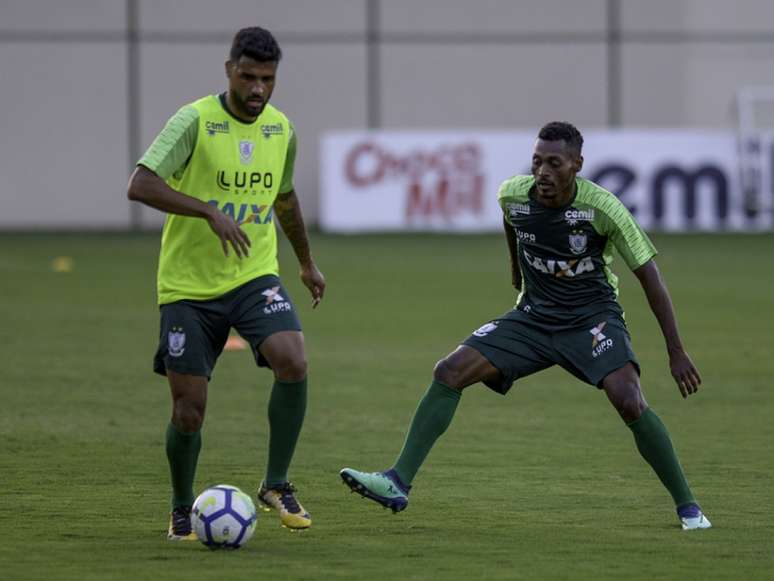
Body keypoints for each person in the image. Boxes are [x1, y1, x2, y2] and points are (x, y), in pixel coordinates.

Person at [341, 121, 711, 531]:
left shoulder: (601, 209)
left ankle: (688, 506)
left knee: (627, 398)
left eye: (555, 163)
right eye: (537, 162)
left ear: (577, 165)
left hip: (592, 321)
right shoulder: (513, 195)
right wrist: (515, 268)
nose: (543, 173)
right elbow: (511, 223)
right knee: (449, 371)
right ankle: (397, 481)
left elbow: (650, 276)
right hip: (533, 318)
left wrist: (676, 351)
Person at [127, 26, 325, 539]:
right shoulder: (194, 120)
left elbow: (284, 198)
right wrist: (207, 211)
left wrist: (305, 263)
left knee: (293, 358)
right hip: (188, 288)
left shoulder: (281, 130)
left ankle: (276, 483)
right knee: (189, 411)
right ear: (228, 70)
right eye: (248, 77)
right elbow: (141, 183)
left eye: (267, 79)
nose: (258, 89)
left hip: (254, 275)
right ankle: (178, 506)